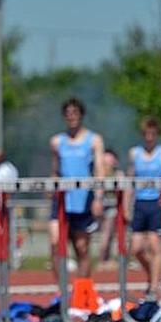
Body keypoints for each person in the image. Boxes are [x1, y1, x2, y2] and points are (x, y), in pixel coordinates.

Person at [125, 117, 161, 300]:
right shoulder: (135, 153)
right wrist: (127, 205)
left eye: (153, 133)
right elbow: (129, 180)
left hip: (157, 205)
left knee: (154, 245)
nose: (149, 137)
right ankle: (154, 275)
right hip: (140, 203)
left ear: (157, 134)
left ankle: (153, 287)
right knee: (135, 248)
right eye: (146, 133)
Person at [49, 97, 105, 280]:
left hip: (83, 200)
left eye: (74, 113)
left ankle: (82, 291)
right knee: (56, 243)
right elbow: (55, 170)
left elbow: (99, 170)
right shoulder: (57, 142)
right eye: (68, 114)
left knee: (81, 248)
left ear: (81, 115)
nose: (71, 117)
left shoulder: (94, 140)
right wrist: (51, 186)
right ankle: (62, 293)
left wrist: (98, 198)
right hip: (62, 200)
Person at [96, 149, 124, 268]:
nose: (107, 163)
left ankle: (106, 259)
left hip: (113, 207)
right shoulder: (97, 174)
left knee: (108, 234)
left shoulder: (118, 174)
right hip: (100, 206)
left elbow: (123, 187)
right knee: (105, 234)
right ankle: (102, 260)